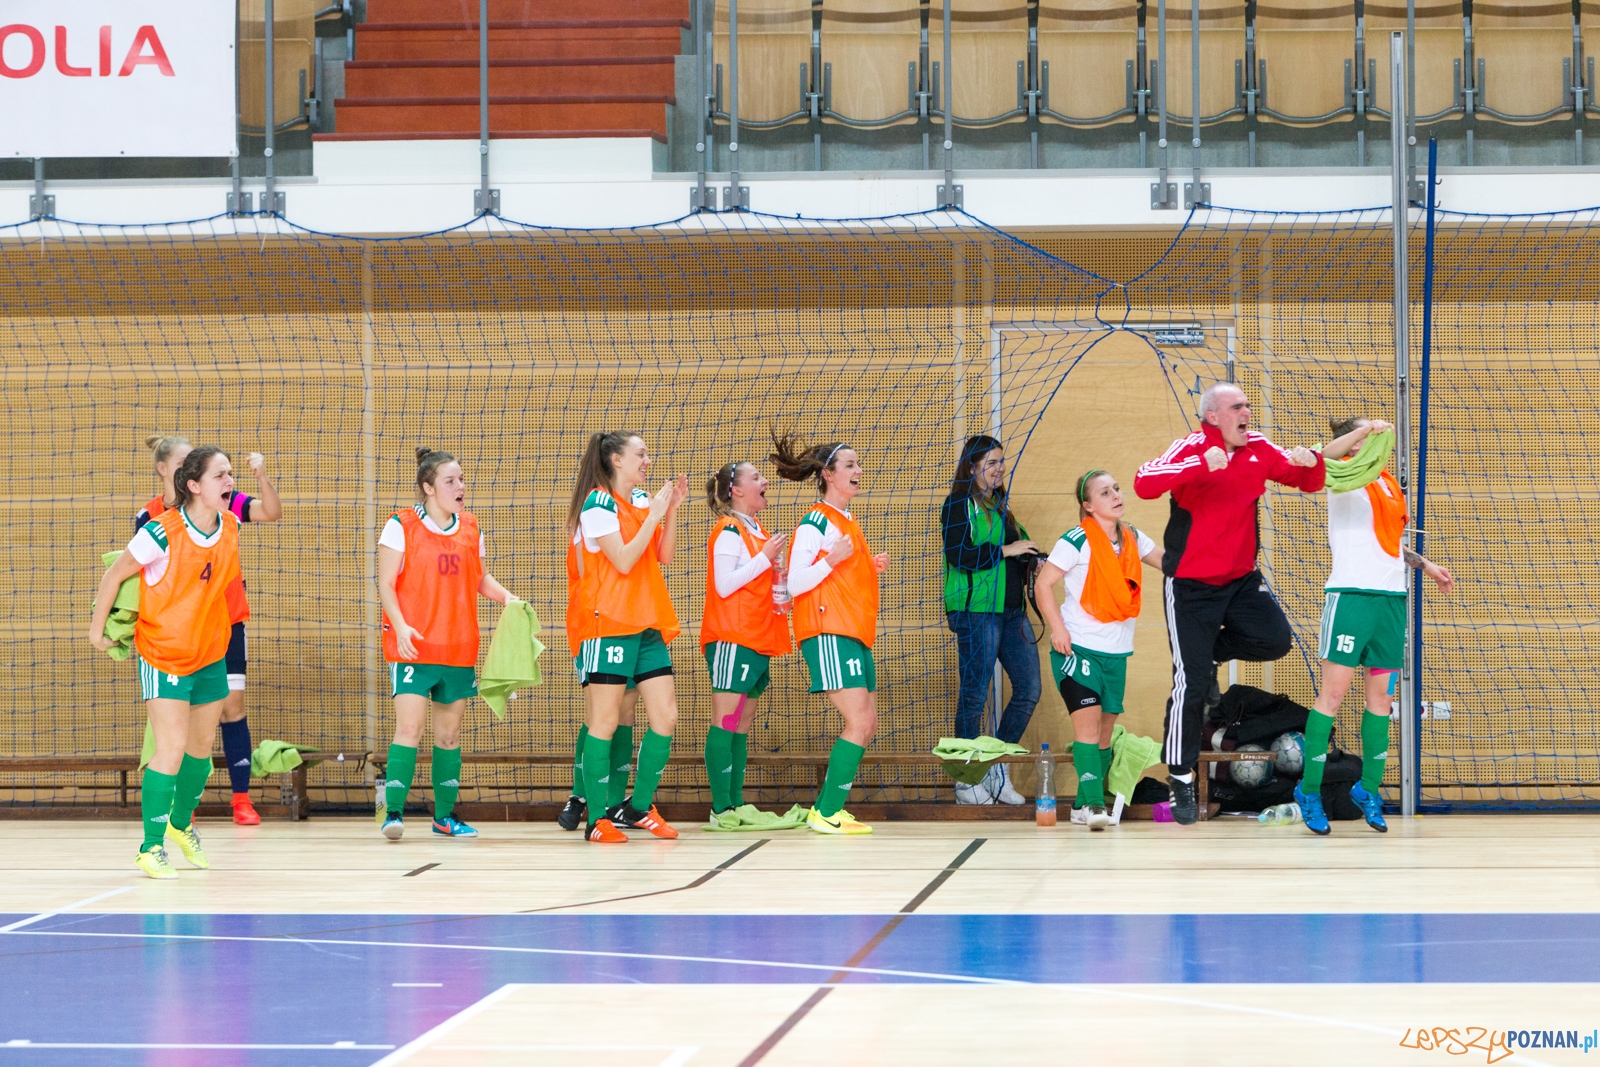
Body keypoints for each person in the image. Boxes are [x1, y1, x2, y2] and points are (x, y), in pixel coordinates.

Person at [1133, 382, 1325, 824]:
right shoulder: (1191, 446)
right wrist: (1201, 464)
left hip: (1240, 581)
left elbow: (1307, 482)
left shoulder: (1258, 447)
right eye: (1238, 406)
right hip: (1192, 588)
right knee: (1191, 684)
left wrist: (1311, 464)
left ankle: (1209, 654)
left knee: (1275, 640)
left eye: (1248, 406)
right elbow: (1144, 483)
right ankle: (1180, 777)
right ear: (1213, 416)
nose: (1247, 412)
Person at [89, 447, 244, 879]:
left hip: (211, 653)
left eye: (230, 473)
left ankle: (180, 825)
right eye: (220, 475)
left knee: (200, 755)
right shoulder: (160, 532)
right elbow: (114, 575)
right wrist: (97, 630)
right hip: (165, 654)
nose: (229, 481)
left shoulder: (230, 526)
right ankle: (150, 847)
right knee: (170, 750)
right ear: (194, 485)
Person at [1296, 417, 1455, 835]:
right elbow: (1313, 459)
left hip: (1390, 601)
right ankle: (1309, 790)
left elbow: (1386, 542)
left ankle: (1367, 789)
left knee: (1381, 701)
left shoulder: (1386, 482)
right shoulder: (1340, 470)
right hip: (1350, 599)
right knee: (1332, 695)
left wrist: (1427, 565)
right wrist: (1360, 434)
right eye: (1371, 434)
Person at [136, 433, 283, 826]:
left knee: (232, 707)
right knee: (174, 730)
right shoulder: (153, 517)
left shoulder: (228, 508)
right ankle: (175, 813)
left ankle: (239, 799)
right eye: (185, 462)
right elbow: (135, 573)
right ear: (171, 472)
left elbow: (271, 512)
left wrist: (263, 475)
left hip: (224, 623)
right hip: (174, 636)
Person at [376, 447, 517, 841]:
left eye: (462, 479)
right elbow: (386, 582)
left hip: (457, 646)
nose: (461, 487)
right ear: (428, 487)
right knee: (409, 728)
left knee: (449, 737)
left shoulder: (471, 527)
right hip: (413, 646)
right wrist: (400, 627)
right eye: (450, 481)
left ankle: (443, 817)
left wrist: (509, 599)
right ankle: (394, 814)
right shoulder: (400, 524)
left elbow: (479, 580)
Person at [566, 431, 689, 844]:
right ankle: (597, 819)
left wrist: (669, 510)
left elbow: (662, 556)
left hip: (647, 623)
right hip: (609, 625)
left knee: (666, 718)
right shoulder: (598, 502)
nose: (647, 461)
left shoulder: (640, 502)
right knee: (604, 722)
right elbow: (621, 560)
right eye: (641, 454)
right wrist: (654, 514)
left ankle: (637, 807)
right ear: (616, 460)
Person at [772, 431, 890, 836]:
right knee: (858, 721)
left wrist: (864, 566)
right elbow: (796, 583)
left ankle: (825, 810)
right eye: (851, 465)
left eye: (858, 464)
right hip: (827, 631)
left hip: (851, 631)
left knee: (867, 722)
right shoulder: (815, 521)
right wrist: (836, 560)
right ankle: (828, 812)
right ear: (828, 474)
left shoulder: (847, 521)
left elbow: (836, 571)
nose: (859, 471)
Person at [1033, 470, 1164, 829]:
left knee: (1104, 734)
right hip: (1077, 648)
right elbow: (1043, 585)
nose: (1116, 495)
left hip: (1116, 652)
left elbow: (1171, 564)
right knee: (1088, 730)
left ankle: (1080, 804)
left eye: (1117, 489)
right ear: (1088, 505)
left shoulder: (1133, 536)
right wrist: (1057, 628)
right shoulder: (1075, 540)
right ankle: (1093, 805)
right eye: (1104, 493)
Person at [940, 435, 1042, 805]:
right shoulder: (957, 505)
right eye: (992, 462)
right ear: (972, 466)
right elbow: (960, 555)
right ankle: (966, 779)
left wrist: (1031, 557)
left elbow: (1017, 550)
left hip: (1012, 612)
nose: (1000, 468)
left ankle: (995, 767)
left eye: (1002, 461)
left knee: (1029, 689)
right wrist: (1005, 550)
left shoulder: (1001, 507)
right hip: (976, 612)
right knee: (974, 694)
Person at [701, 461, 791, 828]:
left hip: (758, 637)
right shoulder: (729, 530)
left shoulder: (758, 531)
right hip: (732, 638)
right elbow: (725, 585)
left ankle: (736, 804)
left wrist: (778, 573)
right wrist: (764, 558)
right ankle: (721, 807)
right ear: (736, 491)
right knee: (725, 722)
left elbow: (763, 587)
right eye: (756, 477)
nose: (765, 481)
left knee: (742, 724)